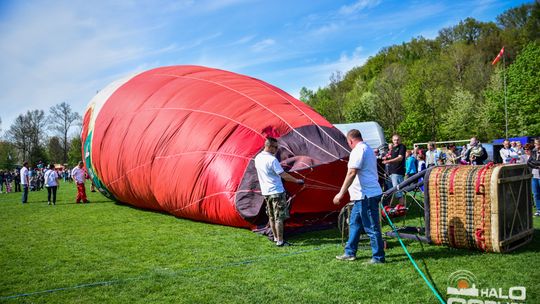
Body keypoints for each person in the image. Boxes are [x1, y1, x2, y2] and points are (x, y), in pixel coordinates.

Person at [334, 129, 385, 264]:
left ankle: (378, 257)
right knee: (354, 223)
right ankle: (350, 252)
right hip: (361, 196)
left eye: (348, 143)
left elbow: (352, 172)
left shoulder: (358, 150)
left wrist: (341, 193)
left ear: (350, 140)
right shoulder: (367, 148)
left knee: (372, 227)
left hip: (366, 196)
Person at [254, 137, 304, 247]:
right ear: (269, 146)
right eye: (275, 147)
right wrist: (297, 180)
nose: (277, 150)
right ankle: (280, 241)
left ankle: (276, 238)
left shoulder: (257, 158)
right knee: (279, 217)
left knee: (271, 216)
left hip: (266, 192)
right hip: (276, 192)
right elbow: (284, 175)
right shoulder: (272, 160)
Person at [382, 134, 406, 206]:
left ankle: (402, 209)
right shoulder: (393, 149)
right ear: (392, 140)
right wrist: (386, 159)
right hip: (390, 173)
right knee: (389, 191)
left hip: (397, 172)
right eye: (395, 140)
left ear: (400, 140)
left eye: (398, 139)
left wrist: (388, 161)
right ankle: (388, 207)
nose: (396, 141)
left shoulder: (402, 147)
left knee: (398, 191)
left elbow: (400, 158)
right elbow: (392, 158)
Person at [527, 138, 540, 216]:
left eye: (537, 144)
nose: (535, 145)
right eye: (535, 143)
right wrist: (538, 166)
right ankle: (539, 210)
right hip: (534, 175)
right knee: (536, 194)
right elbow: (529, 162)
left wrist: (535, 163)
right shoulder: (533, 152)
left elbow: (534, 162)